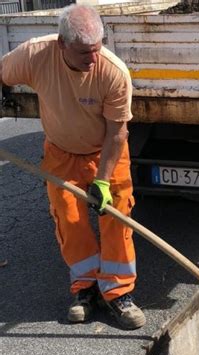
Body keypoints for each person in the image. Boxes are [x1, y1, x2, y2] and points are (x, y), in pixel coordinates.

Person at [0, 4, 145, 329]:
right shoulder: (35, 55)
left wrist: (104, 181)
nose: (92, 59)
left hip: (106, 151)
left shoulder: (112, 71)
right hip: (62, 152)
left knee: (115, 218)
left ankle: (118, 293)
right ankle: (86, 290)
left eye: (97, 49)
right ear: (61, 44)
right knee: (69, 218)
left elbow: (117, 132)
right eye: (84, 52)